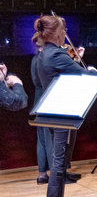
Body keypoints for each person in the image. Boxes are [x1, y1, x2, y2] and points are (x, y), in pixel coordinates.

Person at [32, 14, 96, 197]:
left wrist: (73, 61)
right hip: (62, 113)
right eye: (63, 32)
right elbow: (85, 76)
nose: (65, 35)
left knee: (61, 158)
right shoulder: (58, 55)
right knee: (59, 161)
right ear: (57, 33)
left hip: (53, 111)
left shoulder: (44, 54)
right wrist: (92, 71)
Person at [30, 43, 53, 185]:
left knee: (42, 140)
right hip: (48, 98)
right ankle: (57, 174)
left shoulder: (35, 58)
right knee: (50, 139)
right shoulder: (46, 59)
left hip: (38, 100)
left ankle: (42, 174)